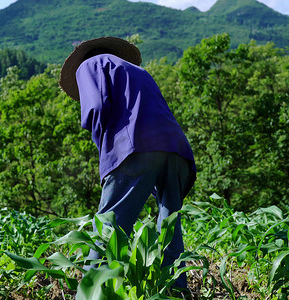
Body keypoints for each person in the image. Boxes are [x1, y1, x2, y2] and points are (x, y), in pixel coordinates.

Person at [59, 36, 196, 291]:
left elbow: (96, 107)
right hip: (176, 147)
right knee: (169, 225)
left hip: (134, 145)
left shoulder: (89, 66)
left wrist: (106, 152)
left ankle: (90, 293)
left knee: (109, 225)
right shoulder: (138, 71)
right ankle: (176, 291)